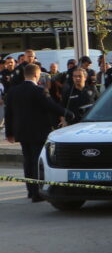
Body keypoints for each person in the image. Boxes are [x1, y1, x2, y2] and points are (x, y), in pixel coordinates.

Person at [4, 63, 66, 202]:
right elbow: (52, 107)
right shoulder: (39, 91)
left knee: (27, 161)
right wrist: (67, 113)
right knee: (37, 161)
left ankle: (30, 191)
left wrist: (9, 133)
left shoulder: (13, 91)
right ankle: (37, 192)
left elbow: (8, 114)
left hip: (21, 132)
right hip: (38, 132)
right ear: (36, 75)